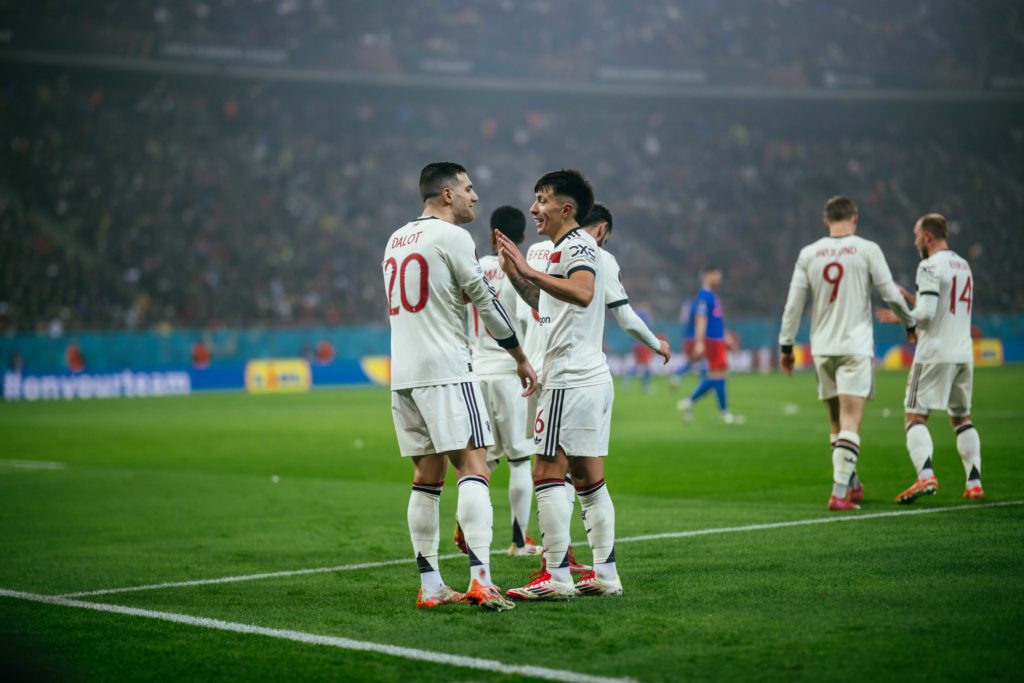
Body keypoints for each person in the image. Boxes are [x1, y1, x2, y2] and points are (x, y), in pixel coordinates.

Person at [383, 162, 537, 610]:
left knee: (426, 478)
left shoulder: (395, 239)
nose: (475, 197)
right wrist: (520, 357)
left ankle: (431, 586)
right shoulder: (453, 237)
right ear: (446, 194)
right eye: (469, 189)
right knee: (475, 467)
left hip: (404, 375)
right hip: (448, 369)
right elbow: (487, 303)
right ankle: (481, 579)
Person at [497, 169, 622, 599]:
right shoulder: (559, 250)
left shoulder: (578, 246)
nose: (534, 208)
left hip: (569, 379)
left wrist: (529, 271)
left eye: (542, 200)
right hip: (587, 377)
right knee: (588, 478)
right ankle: (605, 576)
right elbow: (546, 302)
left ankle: (556, 576)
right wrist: (516, 273)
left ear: (566, 209)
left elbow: (583, 292)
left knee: (546, 470)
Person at [779, 195, 916, 511]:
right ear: (854, 218)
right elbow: (890, 294)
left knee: (836, 422)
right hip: (854, 348)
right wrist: (909, 322)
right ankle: (839, 493)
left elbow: (793, 305)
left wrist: (786, 346)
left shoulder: (809, 254)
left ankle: (852, 484)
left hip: (823, 349)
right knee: (852, 420)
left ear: (826, 221)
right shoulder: (867, 249)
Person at [876, 214, 984, 503]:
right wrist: (913, 298)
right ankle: (974, 482)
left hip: (935, 353)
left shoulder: (928, 265)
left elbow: (925, 316)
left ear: (928, 237)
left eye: (916, 236)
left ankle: (925, 477)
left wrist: (902, 315)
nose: (914, 243)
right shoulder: (963, 265)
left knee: (914, 415)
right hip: (963, 354)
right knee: (961, 418)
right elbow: (943, 304)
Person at [462, 205, 542, 556]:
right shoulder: (519, 273)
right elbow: (528, 320)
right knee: (521, 459)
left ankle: (465, 524)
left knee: (486, 458)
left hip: (477, 371)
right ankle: (519, 538)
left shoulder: (473, 269)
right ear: (521, 237)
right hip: (511, 372)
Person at [580, 204, 670, 387]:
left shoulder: (543, 250)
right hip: (580, 371)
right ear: (602, 228)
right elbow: (626, 319)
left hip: (537, 364)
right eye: (605, 239)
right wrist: (657, 344)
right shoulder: (601, 258)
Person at [676, 267, 742, 423]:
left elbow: (716, 320)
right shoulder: (704, 297)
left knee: (718, 376)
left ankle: (689, 402)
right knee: (719, 375)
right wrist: (699, 343)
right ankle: (723, 413)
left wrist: (725, 335)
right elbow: (701, 320)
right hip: (711, 341)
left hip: (717, 340)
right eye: (716, 277)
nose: (719, 280)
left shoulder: (711, 296)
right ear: (707, 276)